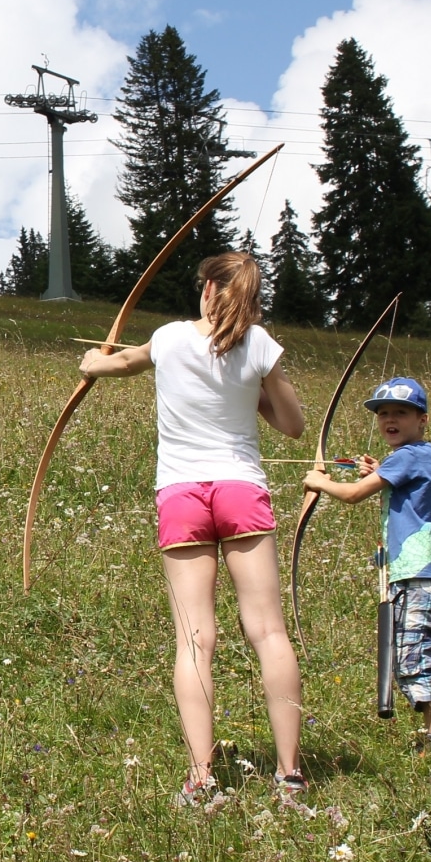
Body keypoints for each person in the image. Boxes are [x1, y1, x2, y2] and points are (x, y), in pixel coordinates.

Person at [77, 252, 308, 809]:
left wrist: (89, 360)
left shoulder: (170, 338)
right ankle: (289, 777)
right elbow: (294, 425)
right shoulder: (258, 345)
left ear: (207, 288)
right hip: (241, 490)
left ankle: (202, 778)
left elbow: (109, 364)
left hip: (181, 494)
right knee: (269, 633)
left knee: (195, 638)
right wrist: (251, 388)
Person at [303, 376, 431, 752]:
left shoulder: (410, 456)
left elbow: (351, 495)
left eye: (401, 412)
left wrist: (319, 482)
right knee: (412, 654)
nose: (389, 420)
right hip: (410, 573)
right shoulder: (412, 457)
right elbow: (400, 488)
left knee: (415, 660)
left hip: (418, 573)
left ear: (423, 419)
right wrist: (377, 471)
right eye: (383, 414)